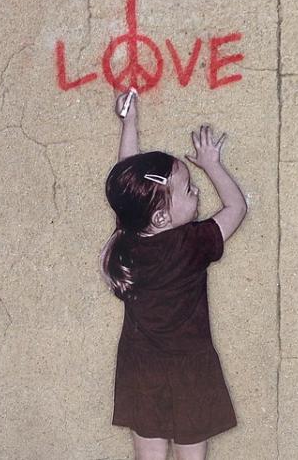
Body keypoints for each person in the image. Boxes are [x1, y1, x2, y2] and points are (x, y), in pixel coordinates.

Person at [101, 91, 247, 460]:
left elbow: (130, 185)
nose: (196, 190)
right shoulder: (192, 244)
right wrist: (211, 165)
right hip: (191, 370)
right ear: (162, 217)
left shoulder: (129, 241)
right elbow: (236, 207)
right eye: (188, 189)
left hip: (140, 368)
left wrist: (129, 123)